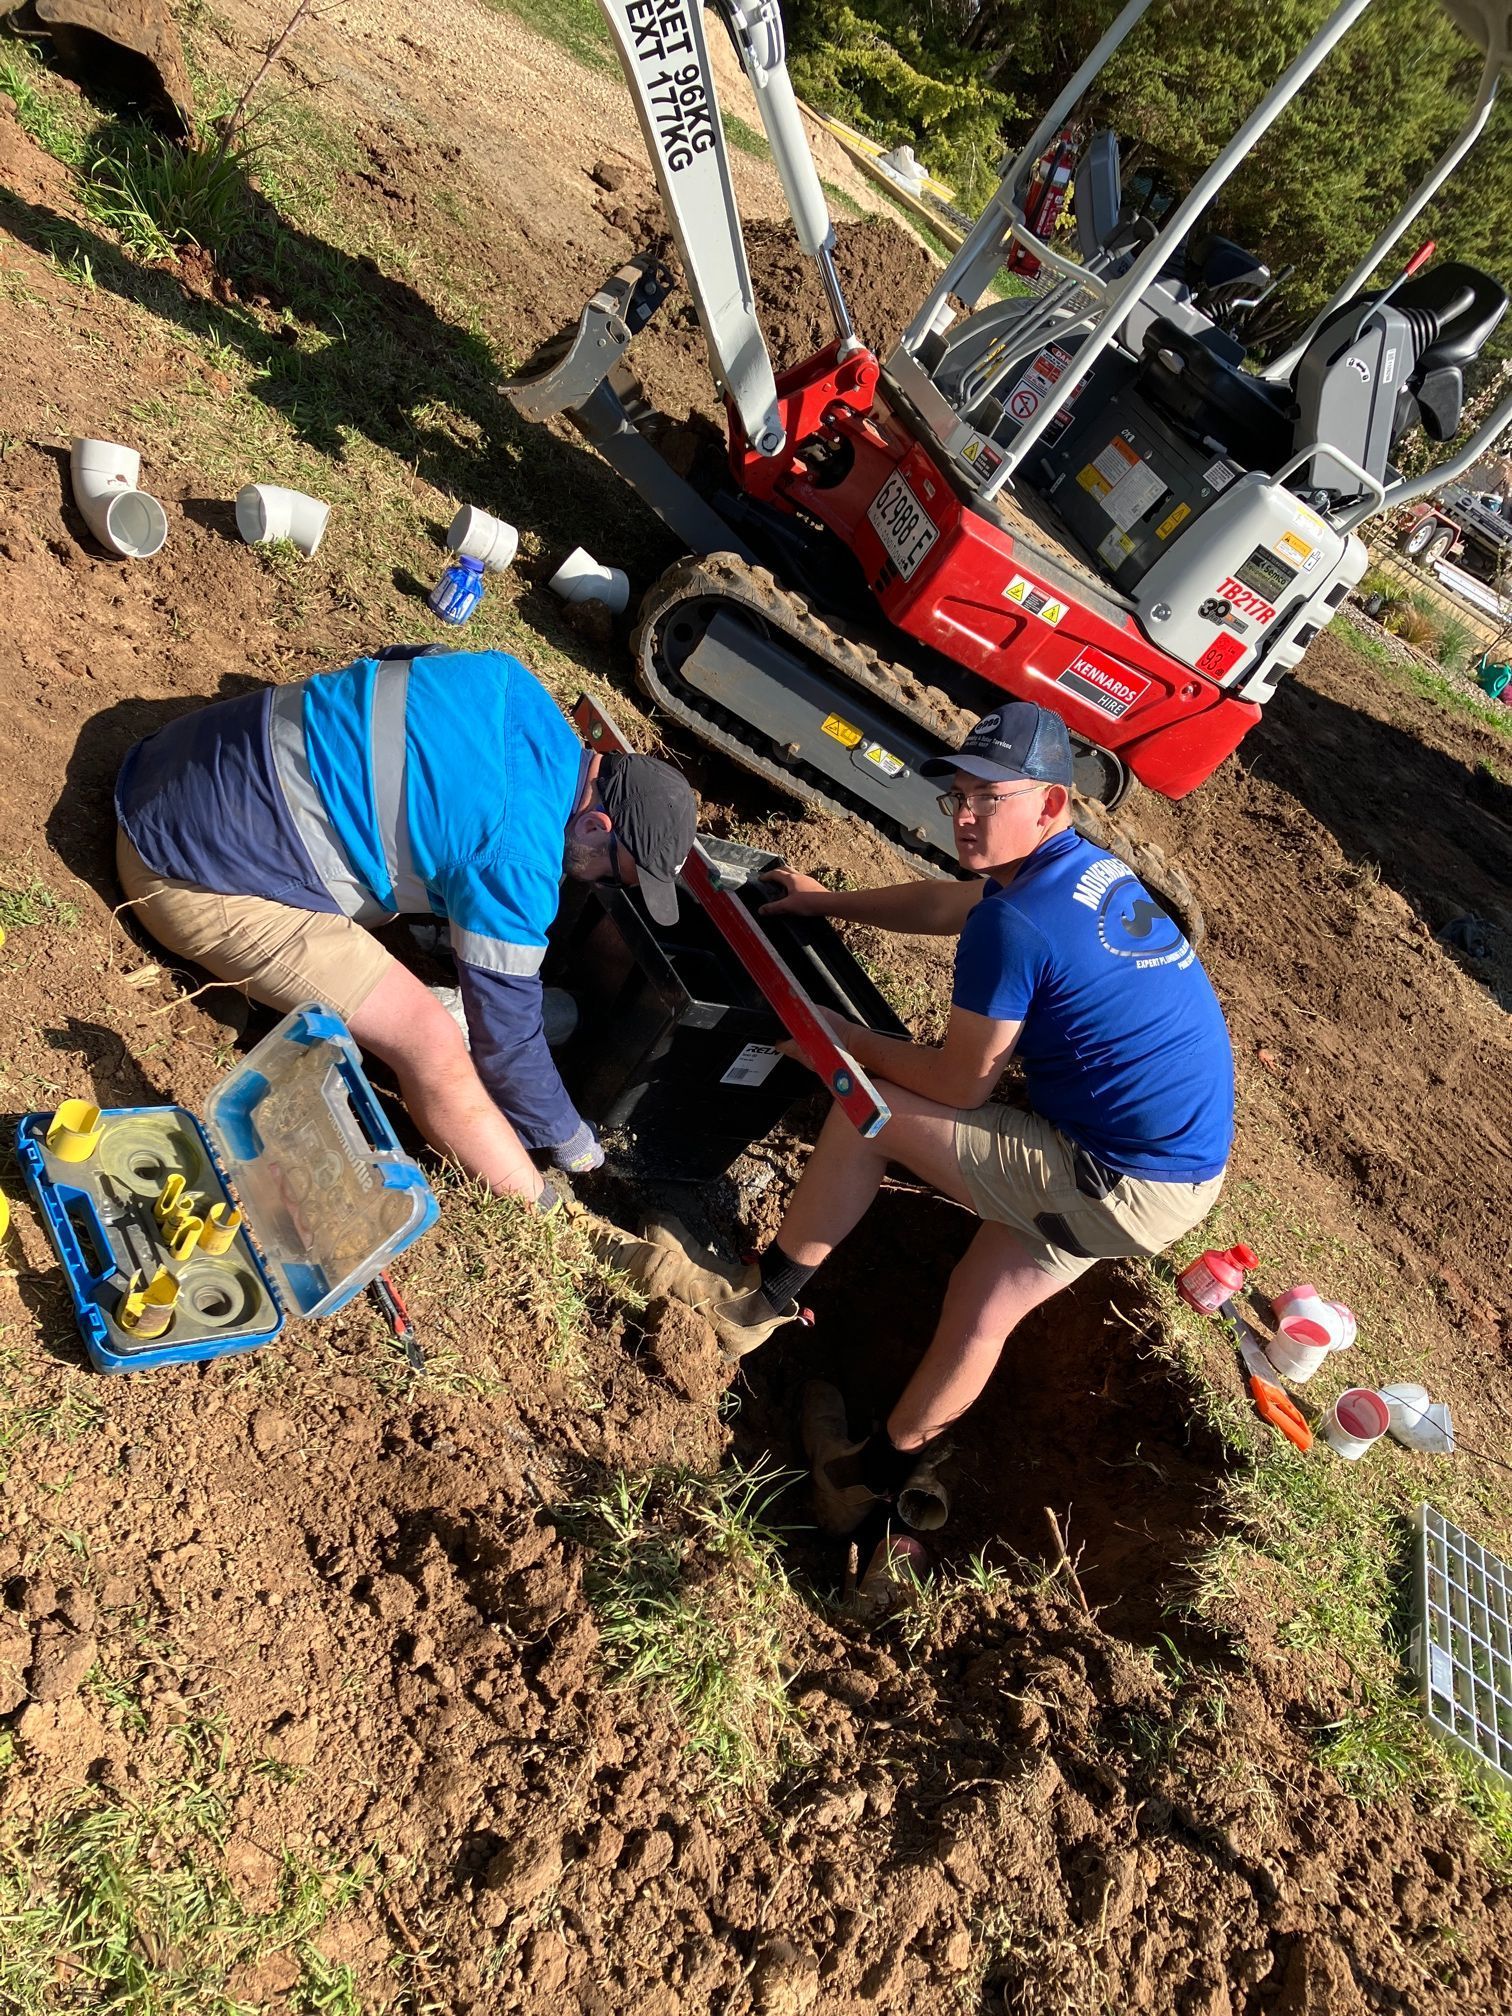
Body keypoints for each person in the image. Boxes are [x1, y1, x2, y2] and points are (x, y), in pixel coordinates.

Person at [622, 701, 1234, 1530]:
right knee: (982, 1308)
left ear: (1051, 804)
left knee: (865, 1114)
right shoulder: (1069, 871)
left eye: (992, 797)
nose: (969, 815)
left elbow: (957, 1087)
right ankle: (868, 1485)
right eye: (959, 796)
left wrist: (832, 1041)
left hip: (1112, 1176)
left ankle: (753, 1309)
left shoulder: (1019, 924)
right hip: (1174, 1170)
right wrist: (826, 904)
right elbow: (955, 904)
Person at [114, 646, 696, 1211]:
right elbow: (508, 1045)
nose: (601, 885)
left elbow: (399, 660)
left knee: (406, 850)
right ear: (596, 825)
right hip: (187, 873)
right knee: (430, 1039)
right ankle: (543, 1207)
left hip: (181, 760)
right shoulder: (518, 860)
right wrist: (568, 1138)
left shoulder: (510, 681)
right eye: (614, 874)